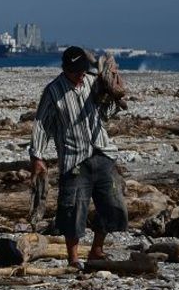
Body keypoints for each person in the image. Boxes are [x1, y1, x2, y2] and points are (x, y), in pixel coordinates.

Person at [29, 45, 129, 269]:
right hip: (74, 158)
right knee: (72, 209)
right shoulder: (53, 91)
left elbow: (105, 114)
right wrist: (37, 156)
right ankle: (73, 258)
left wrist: (113, 94)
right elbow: (42, 125)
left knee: (111, 204)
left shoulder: (93, 82)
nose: (79, 75)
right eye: (75, 71)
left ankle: (97, 250)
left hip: (102, 151)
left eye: (82, 70)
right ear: (65, 69)